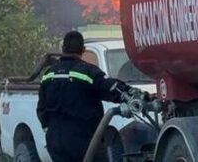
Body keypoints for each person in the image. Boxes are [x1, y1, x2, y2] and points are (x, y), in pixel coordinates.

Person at [37, 31, 135, 162]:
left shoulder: (49, 74)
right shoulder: (88, 72)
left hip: (55, 142)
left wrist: (49, 129)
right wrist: (132, 94)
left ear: (63, 48)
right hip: (84, 141)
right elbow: (110, 88)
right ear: (83, 50)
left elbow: (41, 109)